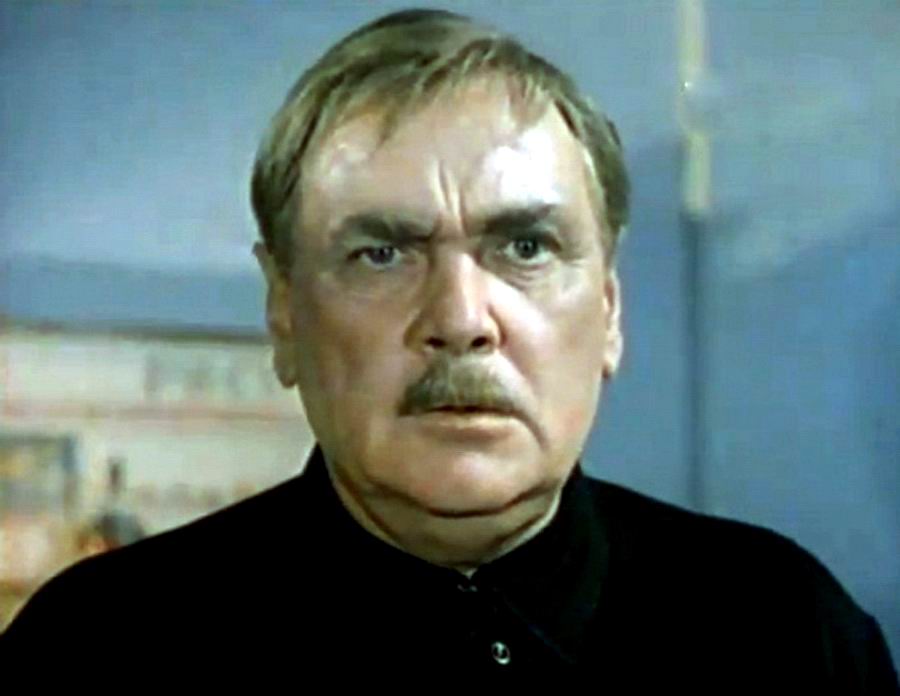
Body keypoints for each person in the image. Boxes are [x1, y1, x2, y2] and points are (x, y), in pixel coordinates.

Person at [1, 9, 897, 689]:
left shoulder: (789, 638)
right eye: (381, 253)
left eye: (526, 247)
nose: (462, 318)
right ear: (284, 312)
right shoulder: (92, 659)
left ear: (611, 308)